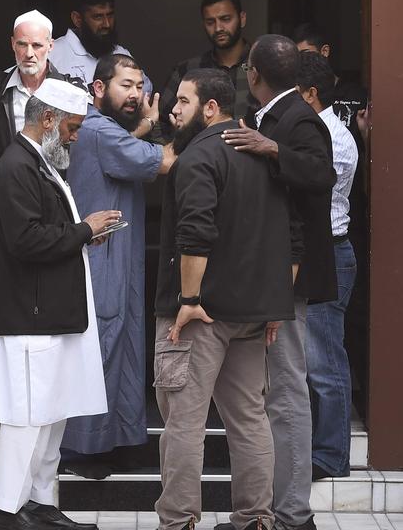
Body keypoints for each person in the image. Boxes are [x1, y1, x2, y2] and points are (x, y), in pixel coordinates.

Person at [0, 77, 123, 530]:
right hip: (27, 318)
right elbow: (25, 240)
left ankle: (38, 506)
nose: (75, 137)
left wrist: (84, 232)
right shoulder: (16, 166)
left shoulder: (39, 162)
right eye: (73, 128)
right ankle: (8, 514)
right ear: (49, 119)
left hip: (45, 315)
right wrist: (85, 230)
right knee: (27, 419)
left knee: (50, 417)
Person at [154, 69, 294, 530]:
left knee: (183, 423)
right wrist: (275, 303)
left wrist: (188, 298)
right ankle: (256, 519)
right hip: (253, 314)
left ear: (210, 107)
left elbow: (195, 233)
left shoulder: (197, 159)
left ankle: (177, 522)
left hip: (199, 313)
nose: (173, 109)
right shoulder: (262, 155)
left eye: (182, 101)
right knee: (250, 418)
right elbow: (290, 236)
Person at [222, 35, 335, 530]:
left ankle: (294, 515)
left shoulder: (299, 120)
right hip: (265, 274)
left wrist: (271, 148)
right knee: (264, 391)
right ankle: (264, 512)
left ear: (253, 73)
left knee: (287, 390)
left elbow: (321, 174)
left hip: (291, 275)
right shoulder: (268, 113)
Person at [61, 54, 176, 477]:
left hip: (118, 256)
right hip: (101, 258)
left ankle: (116, 440)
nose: (135, 94)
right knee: (103, 348)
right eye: (125, 85)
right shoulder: (96, 130)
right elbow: (163, 161)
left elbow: (136, 147)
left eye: (139, 86)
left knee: (125, 345)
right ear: (97, 88)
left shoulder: (106, 130)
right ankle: (83, 450)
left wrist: (145, 126)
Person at [294, 52, 359, 480]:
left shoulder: (331, 138)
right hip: (326, 254)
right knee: (314, 359)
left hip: (330, 254)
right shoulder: (324, 129)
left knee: (324, 362)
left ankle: (331, 457)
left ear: (311, 94)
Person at [0, 10, 83, 163]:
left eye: (37, 45)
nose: (29, 53)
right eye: (22, 44)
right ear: (12, 44)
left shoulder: (69, 89)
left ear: (51, 46)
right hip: (13, 181)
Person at [159, 0, 260, 134]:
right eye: (210, 22)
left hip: (254, 155)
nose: (218, 28)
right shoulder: (188, 70)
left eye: (226, 19)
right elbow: (160, 121)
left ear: (242, 18)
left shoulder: (263, 66)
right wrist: (175, 149)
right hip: (200, 154)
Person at [49, 0, 155, 101]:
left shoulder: (121, 54)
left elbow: (145, 91)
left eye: (110, 15)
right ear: (77, 19)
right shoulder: (53, 53)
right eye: (98, 17)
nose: (107, 24)